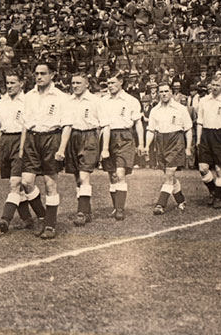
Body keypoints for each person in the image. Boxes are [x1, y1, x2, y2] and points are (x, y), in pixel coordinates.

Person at [18, 60, 72, 240]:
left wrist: (62, 148)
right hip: (32, 140)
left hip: (52, 139)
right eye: (36, 74)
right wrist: (21, 146)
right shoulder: (29, 96)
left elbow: (67, 125)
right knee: (26, 182)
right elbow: (25, 124)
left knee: (50, 184)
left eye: (43, 73)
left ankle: (50, 224)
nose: (39, 77)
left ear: (52, 75)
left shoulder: (61, 97)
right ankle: (42, 215)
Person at [0, 70, 34, 233]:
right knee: (18, 185)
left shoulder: (28, 101)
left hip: (22, 141)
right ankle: (30, 219)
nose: (9, 86)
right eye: (7, 83)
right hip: (5, 142)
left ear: (21, 83)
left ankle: (5, 219)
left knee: (15, 183)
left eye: (13, 82)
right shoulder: (1, 102)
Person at [65, 74, 109, 226]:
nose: (75, 85)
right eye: (73, 83)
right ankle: (87, 210)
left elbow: (105, 125)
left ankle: (81, 213)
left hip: (89, 136)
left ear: (87, 84)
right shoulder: (68, 101)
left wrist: (105, 148)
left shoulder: (95, 101)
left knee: (84, 176)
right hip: (72, 137)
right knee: (77, 178)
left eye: (79, 83)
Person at [100, 71, 145, 221]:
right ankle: (116, 207)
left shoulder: (131, 100)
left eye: (113, 83)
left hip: (125, 136)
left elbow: (138, 123)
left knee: (120, 173)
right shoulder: (103, 101)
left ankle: (120, 209)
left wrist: (141, 143)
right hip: (107, 136)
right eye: (108, 83)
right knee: (112, 175)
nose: (110, 86)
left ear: (121, 83)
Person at [147, 83, 193, 214]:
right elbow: (151, 130)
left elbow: (188, 129)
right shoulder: (155, 110)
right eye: (161, 92)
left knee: (169, 174)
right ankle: (181, 200)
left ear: (171, 92)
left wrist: (188, 147)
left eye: (166, 91)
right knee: (169, 175)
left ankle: (160, 205)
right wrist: (146, 145)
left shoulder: (180, 109)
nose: (163, 94)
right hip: (161, 142)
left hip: (176, 141)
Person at [195, 77, 221, 209]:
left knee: (219, 169)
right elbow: (200, 121)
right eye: (213, 85)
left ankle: (219, 197)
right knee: (203, 168)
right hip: (206, 134)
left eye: (218, 85)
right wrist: (198, 139)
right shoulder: (203, 100)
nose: (215, 87)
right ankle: (213, 191)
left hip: (220, 134)